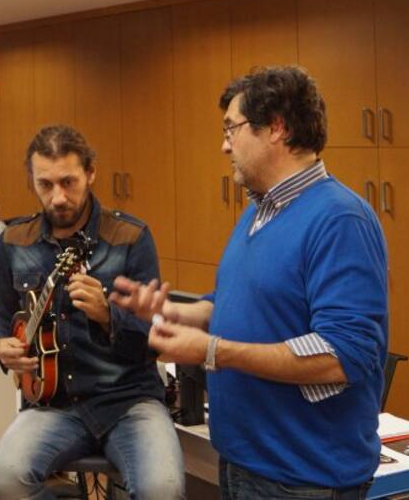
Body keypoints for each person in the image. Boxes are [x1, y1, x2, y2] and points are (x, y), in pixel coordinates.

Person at [112, 66, 389, 498]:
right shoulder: (258, 213)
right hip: (244, 459)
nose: (224, 145)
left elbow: (342, 354)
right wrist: (174, 311)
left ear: (276, 127)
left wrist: (212, 351)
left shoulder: (340, 219)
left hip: (302, 478)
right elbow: (243, 304)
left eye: (232, 129)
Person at [0, 125, 184, 500]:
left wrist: (108, 316)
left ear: (90, 173)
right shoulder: (13, 241)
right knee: (6, 478)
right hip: (53, 405)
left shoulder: (130, 237)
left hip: (130, 400)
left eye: (68, 182)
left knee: (162, 489)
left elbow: (155, 337)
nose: (58, 197)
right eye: (45, 185)